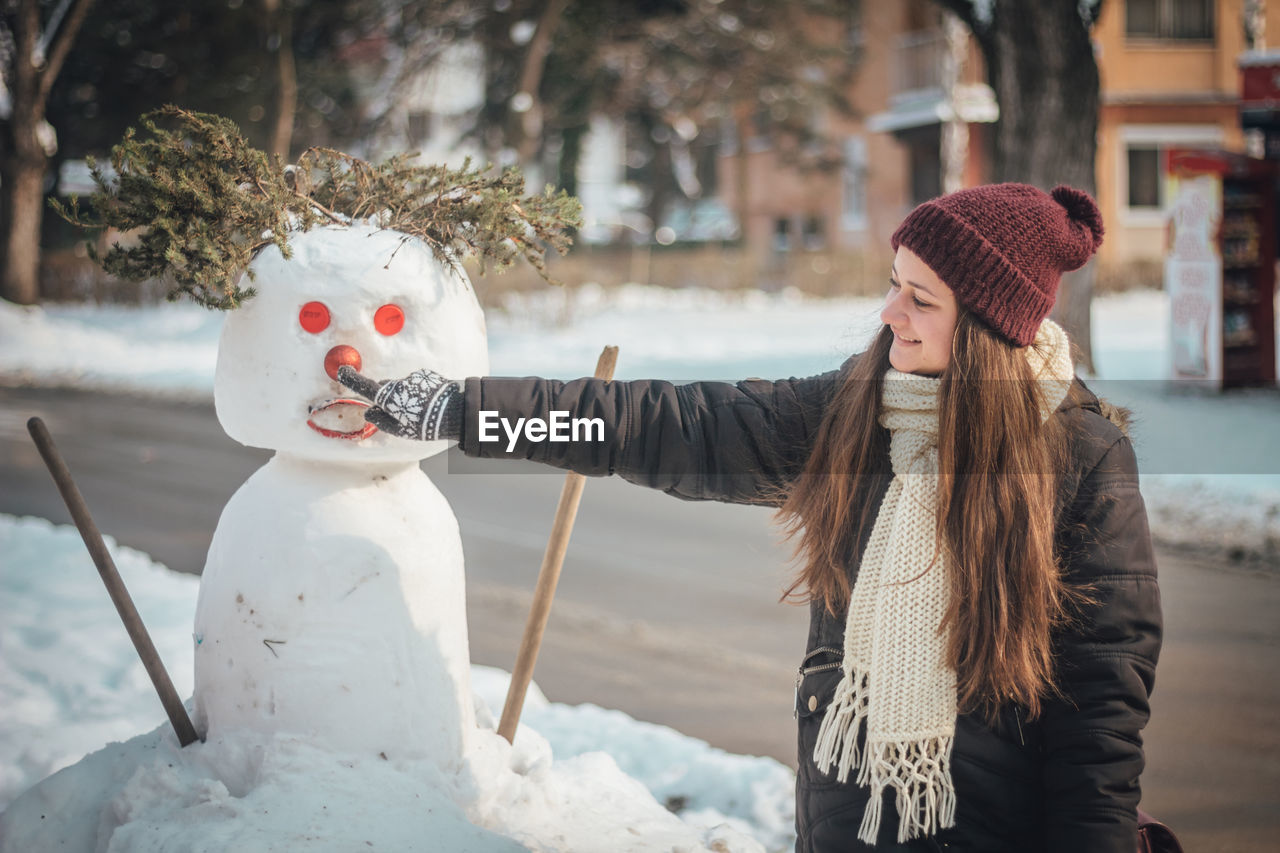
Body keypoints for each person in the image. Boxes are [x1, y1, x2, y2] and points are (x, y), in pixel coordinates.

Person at [337, 183, 1162, 852]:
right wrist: (462, 410)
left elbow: (1099, 723)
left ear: (985, 327)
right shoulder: (856, 412)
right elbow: (667, 423)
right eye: (892, 284)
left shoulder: (1079, 461)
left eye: (919, 299)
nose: (888, 314)